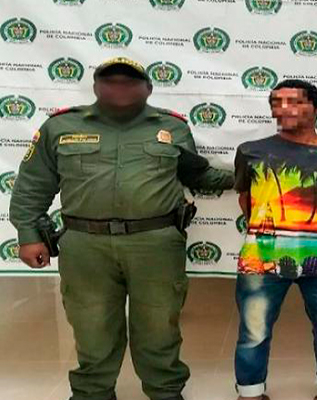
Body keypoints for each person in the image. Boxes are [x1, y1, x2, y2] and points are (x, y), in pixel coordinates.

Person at [9, 57, 234, 400]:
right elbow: (32, 185)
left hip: (155, 244)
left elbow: (197, 175)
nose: (119, 87)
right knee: (91, 325)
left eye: (129, 81)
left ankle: (165, 391)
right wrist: (28, 235)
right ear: (96, 86)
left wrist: (249, 174)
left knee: (159, 325)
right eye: (110, 80)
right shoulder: (60, 127)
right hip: (86, 246)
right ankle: (92, 393)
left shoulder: (172, 127)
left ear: (148, 88)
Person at [233, 80, 317, 400]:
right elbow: (247, 200)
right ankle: (250, 392)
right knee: (254, 331)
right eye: (277, 103)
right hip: (262, 256)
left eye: (295, 101)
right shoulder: (250, 151)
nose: (284, 109)